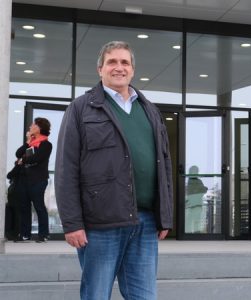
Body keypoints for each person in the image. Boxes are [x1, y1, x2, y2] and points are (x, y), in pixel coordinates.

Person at [55, 41, 173, 300]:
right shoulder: (81, 108)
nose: (119, 67)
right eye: (112, 62)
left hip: (145, 222)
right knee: (96, 295)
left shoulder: (149, 109)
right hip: (100, 223)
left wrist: (164, 215)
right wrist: (72, 223)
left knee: (144, 296)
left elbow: (163, 164)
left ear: (132, 70)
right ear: (100, 69)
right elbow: (66, 169)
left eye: (125, 62)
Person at [13, 117, 52, 242]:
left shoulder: (46, 144)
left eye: (33, 125)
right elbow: (18, 153)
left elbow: (38, 158)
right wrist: (28, 141)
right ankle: (25, 234)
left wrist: (23, 160)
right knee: (24, 207)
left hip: (38, 179)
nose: (30, 127)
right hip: (24, 179)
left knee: (39, 206)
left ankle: (43, 234)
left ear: (39, 128)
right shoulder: (30, 143)